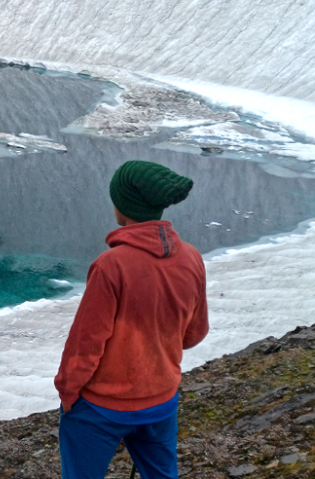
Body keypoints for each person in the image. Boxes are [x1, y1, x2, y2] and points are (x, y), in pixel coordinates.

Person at [54, 160, 209, 479]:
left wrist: (68, 394)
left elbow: (85, 346)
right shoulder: (191, 257)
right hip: (161, 400)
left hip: (103, 407)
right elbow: (194, 334)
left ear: (121, 207)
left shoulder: (112, 265)